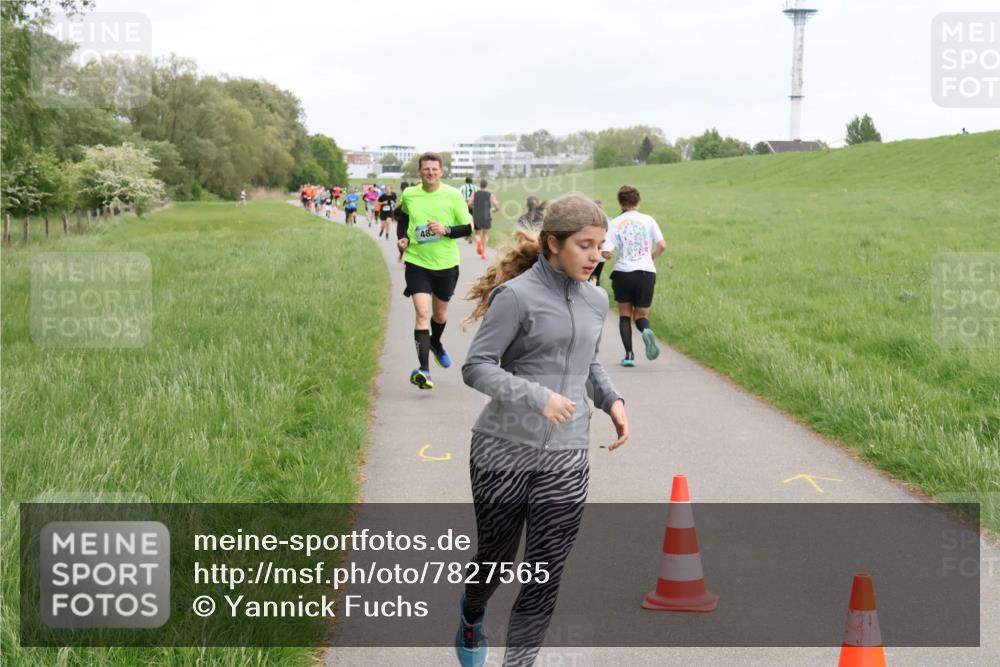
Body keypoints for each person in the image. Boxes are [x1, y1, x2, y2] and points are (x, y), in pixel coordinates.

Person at [458, 193, 629, 667]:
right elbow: (476, 367)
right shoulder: (515, 296)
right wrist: (538, 396)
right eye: (585, 245)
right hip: (502, 450)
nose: (597, 256)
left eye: (600, 246)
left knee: (545, 572)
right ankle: (472, 613)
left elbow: (588, 361)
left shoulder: (597, 298)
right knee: (495, 558)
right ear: (553, 244)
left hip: (568, 453)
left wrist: (612, 399)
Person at [397, 152, 472, 390]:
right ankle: (424, 370)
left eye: (434, 169)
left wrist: (446, 229)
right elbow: (403, 218)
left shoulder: (453, 195)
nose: (430, 173)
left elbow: (468, 228)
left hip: (446, 265)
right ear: (420, 171)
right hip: (417, 262)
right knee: (421, 312)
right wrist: (402, 238)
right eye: (426, 169)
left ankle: (436, 343)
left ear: (441, 171)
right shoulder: (410, 194)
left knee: (439, 315)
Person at [604, 185, 666, 367]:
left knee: (624, 315)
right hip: (646, 272)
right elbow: (662, 244)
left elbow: (607, 252)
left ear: (620, 202)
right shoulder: (649, 220)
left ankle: (629, 355)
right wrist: (650, 257)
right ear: (638, 201)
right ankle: (646, 330)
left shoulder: (614, 223)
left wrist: (607, 254)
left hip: (623, 273)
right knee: (641, 315)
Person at [469, 179, 499, 260]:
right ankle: (483, 253)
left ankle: (478, 241)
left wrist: (473, 207)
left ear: (480, 185)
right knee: (485, 234)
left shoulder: (475, 194)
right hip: (486, 216)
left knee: (477, 234)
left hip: (477, 215)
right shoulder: (490, 195)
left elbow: (469, 203)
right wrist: (495, 210)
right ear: (486, 185)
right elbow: (496, 205)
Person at [589, 200, 608, 285]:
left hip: (598, 255)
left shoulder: (605, 222)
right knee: (594, 276)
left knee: (593, 277)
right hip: (599, 255)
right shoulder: (606, 221)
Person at [459, 175, 477, 244]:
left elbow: (458, 195)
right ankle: (469, 235)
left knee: (465, 219)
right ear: (472, 181)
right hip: (473, 205)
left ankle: (467, 234)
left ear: (465, 181)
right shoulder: (475, 188)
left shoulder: (462, 188)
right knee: (471, 219)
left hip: (465, 205)